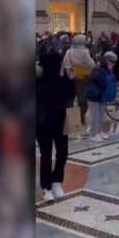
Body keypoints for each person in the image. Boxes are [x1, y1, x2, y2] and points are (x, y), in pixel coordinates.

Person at [36, 50, 74, 201]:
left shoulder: (62, 79)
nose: (62, 66)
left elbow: (70, 96)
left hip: (60, 122)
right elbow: (48, 96)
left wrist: (70, 80)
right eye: (60, 64)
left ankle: (56, 181)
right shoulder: (39, 82)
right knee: (46, 155)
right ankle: (46, 187)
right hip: (42, 123)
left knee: (63, 152)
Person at [62, 34, 95, 126]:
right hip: (82, 78)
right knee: (83, 98)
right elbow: (91, 65)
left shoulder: (68, 51)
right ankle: (81, 117)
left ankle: (70, 120)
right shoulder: (85, 52)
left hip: (69, 77)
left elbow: (65, 63)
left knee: (70, 99)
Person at [84, 51, 117, 142]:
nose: (114, 64)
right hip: (93, 96)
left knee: (100, 115)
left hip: (102, 96)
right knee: (94, 116)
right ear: (107, 60)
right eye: (112, 62)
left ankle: (99, 132)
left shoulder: (108, 70)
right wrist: (96, 92)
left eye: (115, 62)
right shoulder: (98, 70)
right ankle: (93, 134)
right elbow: (90, 82)